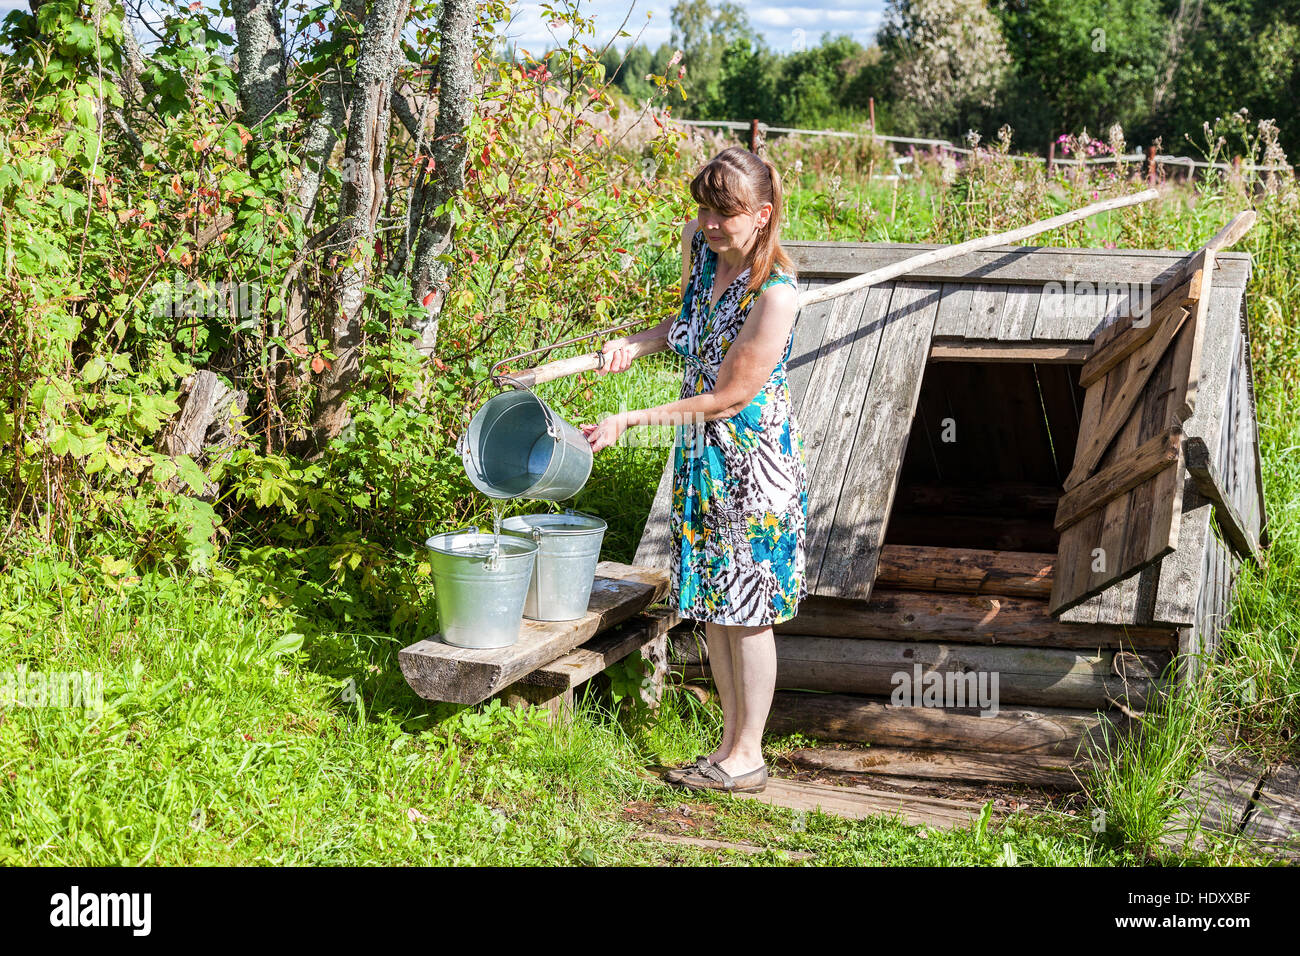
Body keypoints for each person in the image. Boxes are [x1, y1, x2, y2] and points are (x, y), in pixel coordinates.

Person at [580, 147, 807, 795]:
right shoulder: (704, 253)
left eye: (724, 212)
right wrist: (639, 342)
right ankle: (730, 748)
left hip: (751, 467)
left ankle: (748, 753)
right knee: (715, 605)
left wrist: (630, 419)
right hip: (701, 458)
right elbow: (684, 324)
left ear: (762, 215)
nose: (708, 222)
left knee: (749, 608)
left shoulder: (777, 296)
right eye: (703, 207)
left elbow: (730, 395)